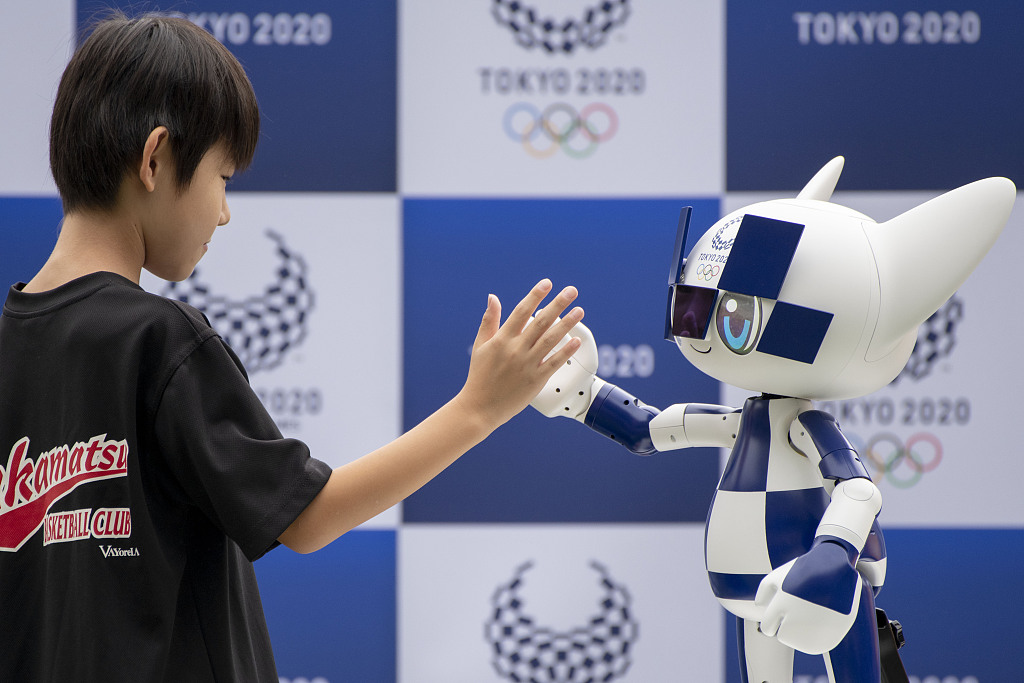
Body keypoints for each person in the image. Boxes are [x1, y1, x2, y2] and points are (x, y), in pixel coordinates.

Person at [0, 13, 584, 682]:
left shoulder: (13, 342)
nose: (224, 212)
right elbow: (307, 518)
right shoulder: (160, 340)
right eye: (223, 176)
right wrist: (479, 407)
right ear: (155, 158)